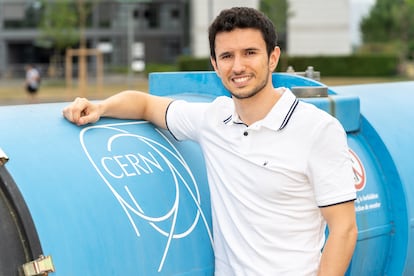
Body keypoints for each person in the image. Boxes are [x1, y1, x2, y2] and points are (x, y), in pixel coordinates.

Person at [63, 7, 357, 275]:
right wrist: (100, 108)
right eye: (227, 56)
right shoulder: (214, 119)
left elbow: (343, 229)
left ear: (273, 57)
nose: (238, 66)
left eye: (250, 52)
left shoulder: (318, 130)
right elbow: (145, 105)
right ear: (215, 65)